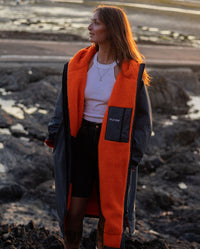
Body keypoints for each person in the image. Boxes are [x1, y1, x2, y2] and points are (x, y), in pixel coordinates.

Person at [45, 5, 152, 249]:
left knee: (110, 211)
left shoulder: (130, 71)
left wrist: (133, 156)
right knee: (74, 209)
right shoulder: (78, 64)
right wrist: (55, 137)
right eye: (91, 21)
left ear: (111, 29)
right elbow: (63, 105)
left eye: (96, 23)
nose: (89, 27)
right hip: (81, 141)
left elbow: (143, 120)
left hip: (114, 146)